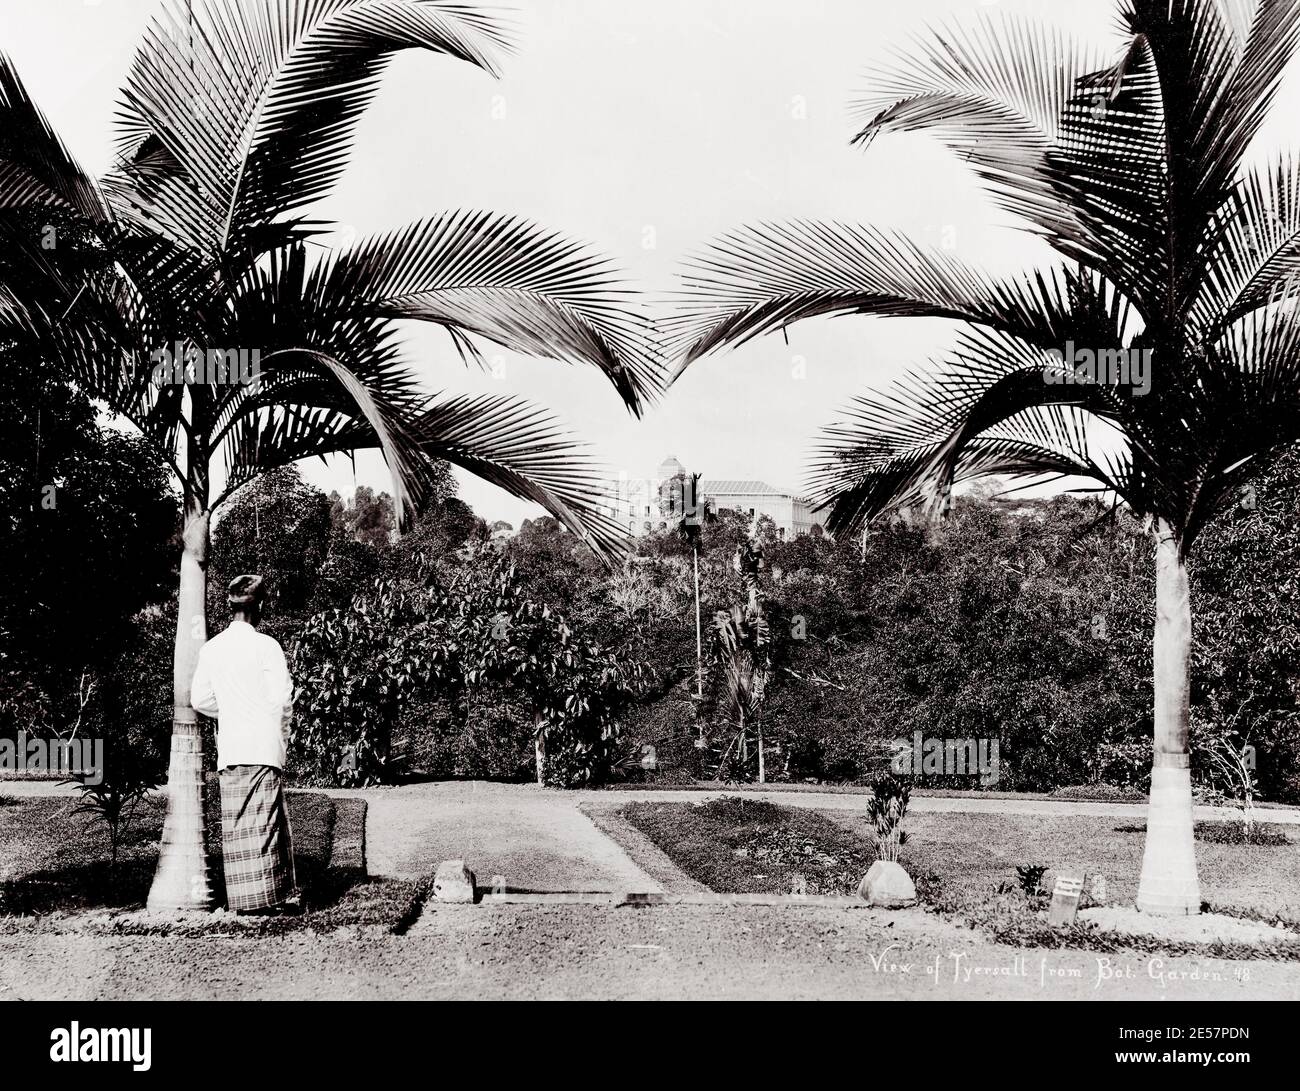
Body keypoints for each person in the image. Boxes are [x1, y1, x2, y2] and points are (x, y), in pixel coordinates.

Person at [191, 574, 299, 914]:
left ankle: (243, 901)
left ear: (230, 606)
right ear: (261, 606)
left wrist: (232, 709)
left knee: (238, 826)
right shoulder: (267, 645)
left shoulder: (212, 648)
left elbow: (200, 699)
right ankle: (268, 899)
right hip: (263, 745)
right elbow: (283, 698)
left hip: (233, 747)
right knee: (266, 826)